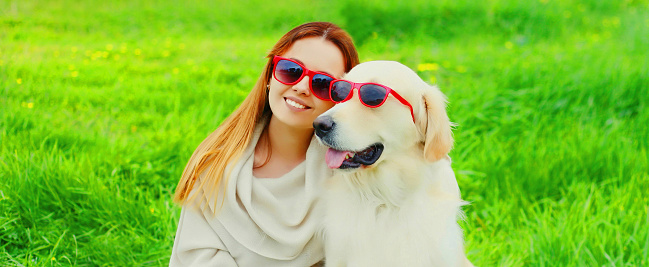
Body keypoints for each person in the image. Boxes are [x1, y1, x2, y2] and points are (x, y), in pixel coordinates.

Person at [170, 22, 360, 266]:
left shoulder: (348, 174)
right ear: (271, 73)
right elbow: (197, 256)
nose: (302, 87)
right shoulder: (216, 164)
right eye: (291, 70)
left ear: (339, 99)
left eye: (323, 83)